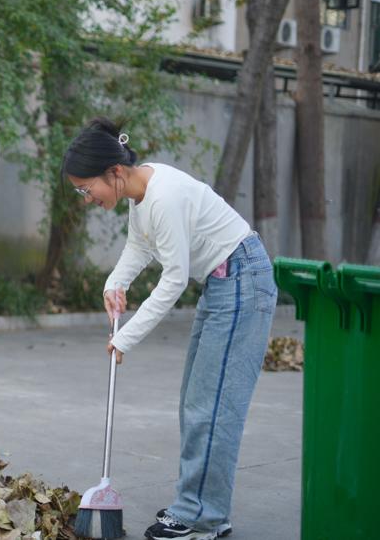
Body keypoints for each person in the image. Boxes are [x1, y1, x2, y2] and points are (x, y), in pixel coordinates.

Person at [63, 118, 277, 540]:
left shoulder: (164, 197)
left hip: (242, 280)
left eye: (87, 189)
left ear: (115, 173)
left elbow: (174, 279)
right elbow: (140, 245)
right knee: (196, 403)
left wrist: (126, 336)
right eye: (80, 192)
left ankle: (203, 516)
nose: (86, 199)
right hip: (223, 284)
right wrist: (115, 282)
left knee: (211, 408)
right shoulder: (140, 194)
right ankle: (201, 507)